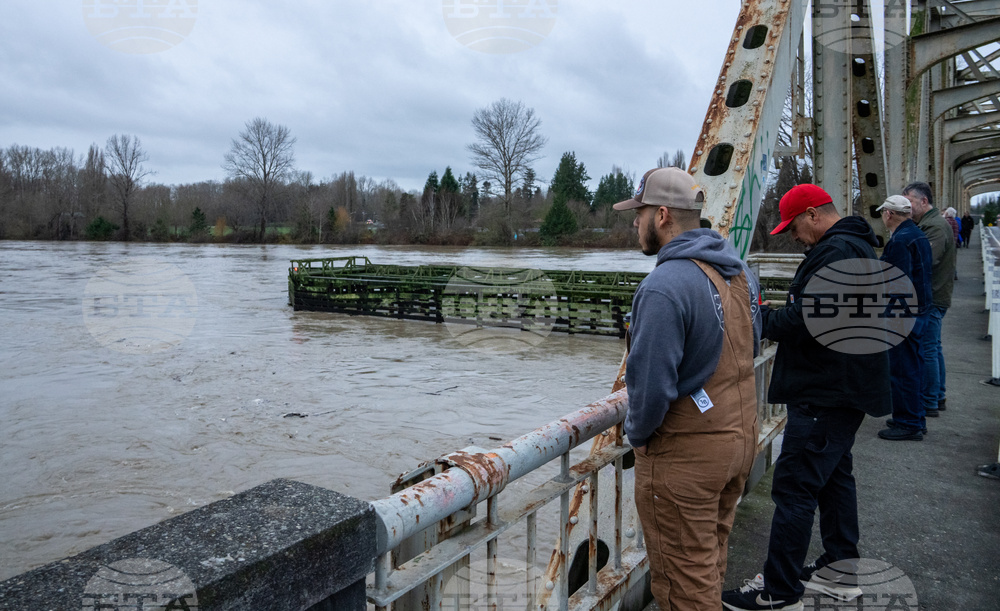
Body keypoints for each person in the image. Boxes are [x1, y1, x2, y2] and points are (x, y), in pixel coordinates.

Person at [722, 184, 890, 611]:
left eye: (794, 227)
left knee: (794, 490)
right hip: (845, 387)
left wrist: (763, 320)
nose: (793, 237)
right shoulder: (854, 246)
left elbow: (809, 317)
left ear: (814, 214)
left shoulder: (836, 252)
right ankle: (840, 571)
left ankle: (778, 591)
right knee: (835, 479)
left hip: (825, 392)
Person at [614, 167, 762, 610]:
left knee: (683, 582)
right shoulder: (738, 273)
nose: (633, 224)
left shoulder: (665, 285)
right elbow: (754, 342)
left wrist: (637, 437)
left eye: (637, 215)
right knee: (709, 559)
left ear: (662, 216)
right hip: (738, 439)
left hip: (688, 458)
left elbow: (651, 388)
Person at [876, 195, 933, 441]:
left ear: (889, 214)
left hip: (903, 315)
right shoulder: (917, 235)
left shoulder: (900, 241)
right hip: (920, 310)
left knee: (901, 369)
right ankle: (915, 417)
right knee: (913, 366)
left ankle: (907, 422)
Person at [903, 182, 956, 417]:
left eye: (910, 202)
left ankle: (929, 401)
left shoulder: (934, 226)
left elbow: (925, 260)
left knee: (928, 349)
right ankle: (938, 395)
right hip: (936, 294)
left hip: (932, 296)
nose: (907, 207)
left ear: (924, 201)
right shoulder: (931, 224)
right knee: (934, 348)